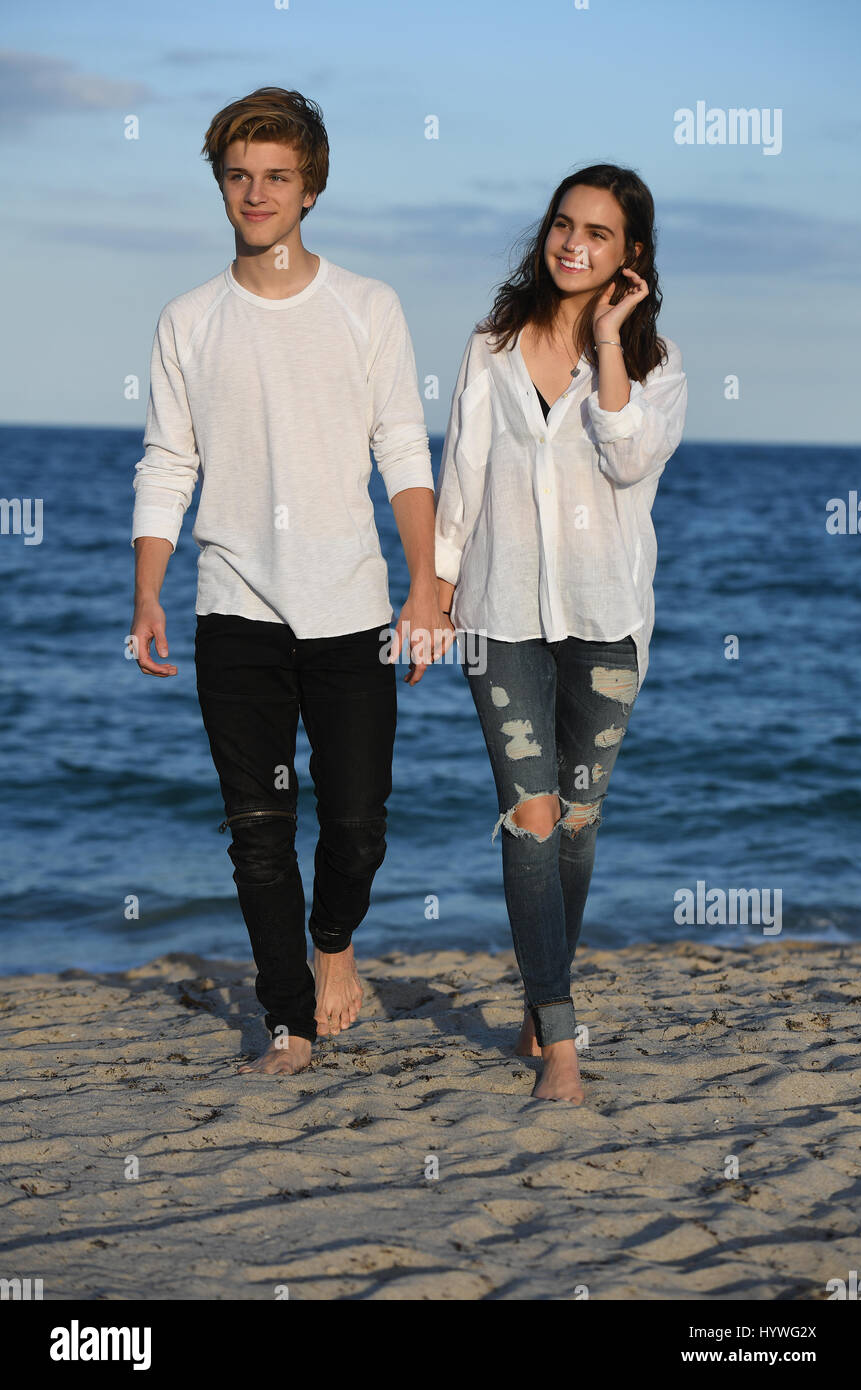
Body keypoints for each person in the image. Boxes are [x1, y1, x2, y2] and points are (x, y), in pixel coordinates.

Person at [129, 87, 448, 1076]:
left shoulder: (365, 307)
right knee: (259, 832)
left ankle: (333, 943)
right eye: (238, 175)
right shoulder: (188, 320)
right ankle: (287, 1022)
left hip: (350, 607)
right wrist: (148, 587)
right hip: (234, 610)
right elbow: (167, 459)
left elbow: (400, 445)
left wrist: (426, 584)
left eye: (276, 177)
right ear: (220, 184)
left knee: (355, 824)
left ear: (310, 188)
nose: (255, 193)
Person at [434, 165, 687, 1104]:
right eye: (563, 224)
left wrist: (613, 339)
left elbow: (626, 459)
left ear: (632, 256)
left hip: (604, 622)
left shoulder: (659, 370)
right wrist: (435, 587)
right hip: (498, 614)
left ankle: (541, 1011)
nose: (574, 243)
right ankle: (563, 1035)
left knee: (575, 827)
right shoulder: (493, 344)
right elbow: (459, 470)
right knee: (530, 817)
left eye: (599, 233)